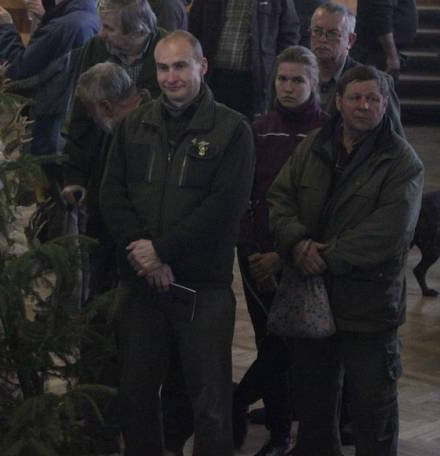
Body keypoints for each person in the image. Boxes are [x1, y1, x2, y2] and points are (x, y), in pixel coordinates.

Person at [100, 31, 254, 455]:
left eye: (181, 66)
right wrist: (143, 253)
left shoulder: (232, 130)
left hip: (202, 288)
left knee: (211, 401)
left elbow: (225, 207)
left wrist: (163, 251)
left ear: (201, 67)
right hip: (140, 284)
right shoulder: (135, 125)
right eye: (163, 68)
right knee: (136, 395)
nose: (171, 77)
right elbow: (112, 194)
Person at [268, 65, 424, 456]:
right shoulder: (314, 147)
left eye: (373, 98)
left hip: (369, 309)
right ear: (338, 102)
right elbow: (280, 199)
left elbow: (388, 234)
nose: (363, 105)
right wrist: (297, 243)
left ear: (386, 104)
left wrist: (324, 257)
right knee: (315, 412)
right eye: (355, 97)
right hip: (312, 302)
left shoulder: (403, 163)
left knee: (374, 413)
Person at [233, 47, 329, 456]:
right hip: (256, 257)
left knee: (291, 347)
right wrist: (254, 251)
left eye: (298, 80)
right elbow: (246, 194)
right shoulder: (258, 129)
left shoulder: (327, 132)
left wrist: (283, 254)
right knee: (269, 343)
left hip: (301, 255)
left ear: (314, 83)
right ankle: (277, 431)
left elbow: (326, 206)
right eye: (282, 80)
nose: (288, 88)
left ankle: (237, 403)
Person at [0, 0, 100, 157]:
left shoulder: (65, 25)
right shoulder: (94, 19)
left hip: (49, 117)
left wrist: (6, 27)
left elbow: (18, 69)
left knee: (42, 178)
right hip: (74, 118)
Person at [64, 0, 164, 200]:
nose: (101, 33)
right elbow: (82, 113)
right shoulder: (97, 48)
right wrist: (74, 176)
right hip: (100, 165)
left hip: (149, 174)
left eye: (109, 28)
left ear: (137, 31)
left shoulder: (167, 52)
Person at [189, 0, 300, 119]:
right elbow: (194, 26)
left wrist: (275, 69)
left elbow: (289, 34)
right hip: (213, 77)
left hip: (252, 81)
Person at [62, 62, 145, 299]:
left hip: (128, 247)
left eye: (91, 111)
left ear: (106, 107)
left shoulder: (141, 132)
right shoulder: (115, 128)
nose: (90, 117)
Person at [310, 1, 403, 135]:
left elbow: (395, 139)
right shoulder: (294, 75)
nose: (322, 39)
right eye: (317, 31)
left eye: (332, 33)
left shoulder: (376, 83)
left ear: (350, 40)